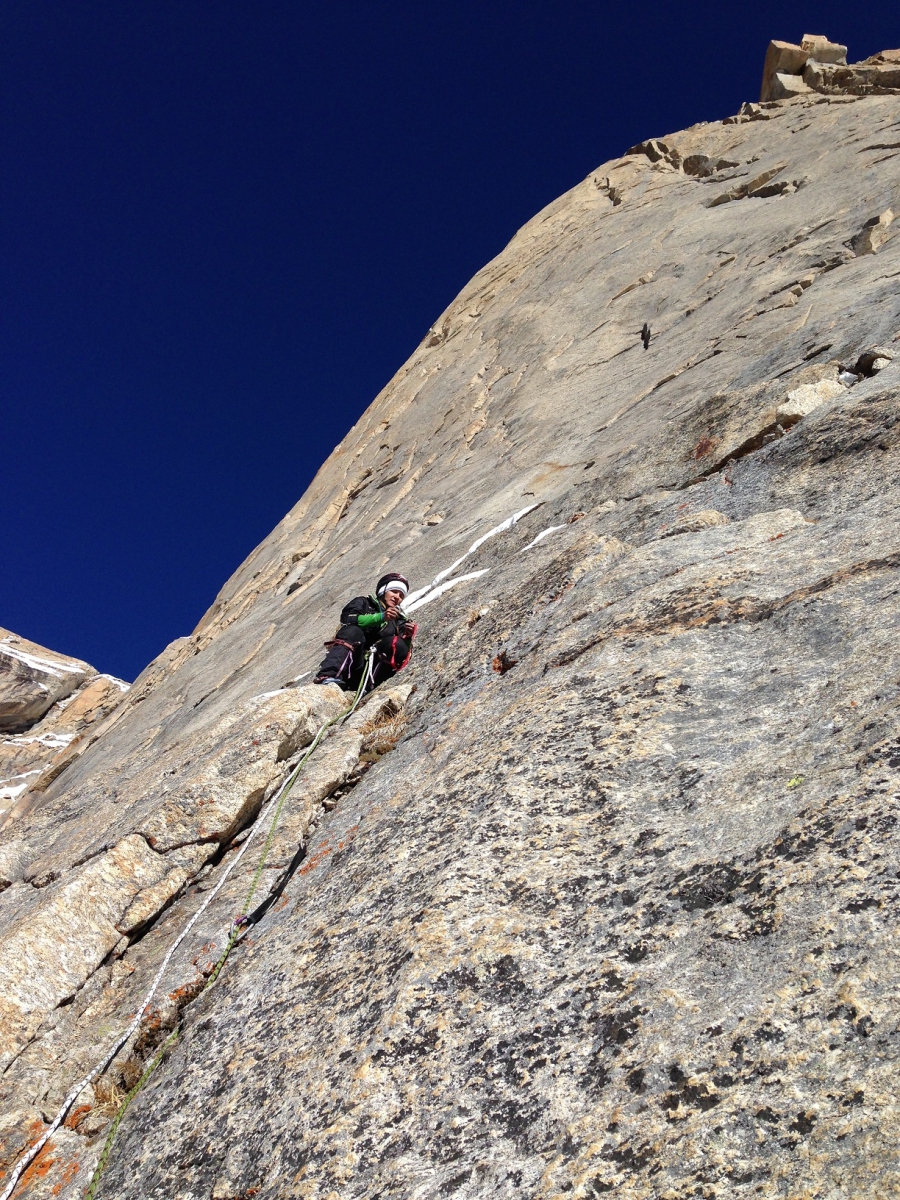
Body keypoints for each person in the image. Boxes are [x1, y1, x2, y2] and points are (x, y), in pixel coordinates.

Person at [314, 572, 417, 691]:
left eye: (401, 595)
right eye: (394, 591)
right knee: (352, 631)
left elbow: (402, 654)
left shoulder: (399, 621)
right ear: (383, 590)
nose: (397, 597)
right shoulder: (364, 603)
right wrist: (381, 617)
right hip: (354, 662)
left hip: (373, 671)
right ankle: (329, 675)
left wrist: (408, 636)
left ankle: (369, 687)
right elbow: (349, 619)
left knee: (397, 643)